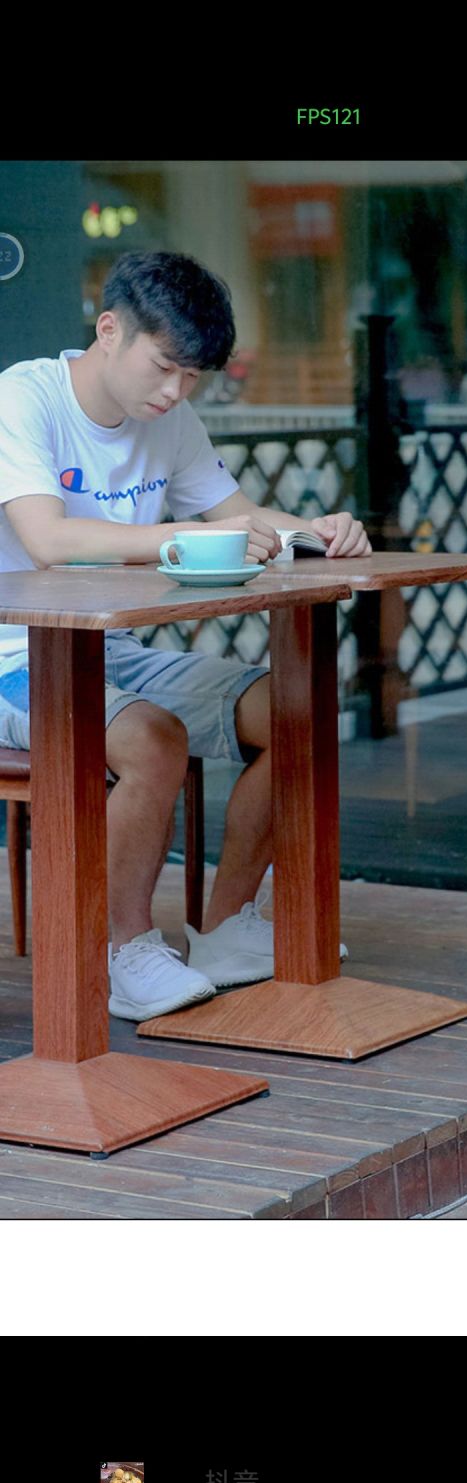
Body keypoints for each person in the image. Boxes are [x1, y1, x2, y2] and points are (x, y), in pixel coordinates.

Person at [0, 251, 371, 1020]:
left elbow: (240, 516)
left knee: (297, 709)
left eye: (192, 377)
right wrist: (188, 536)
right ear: (110, 330)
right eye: (165, 367)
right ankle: (122, 949)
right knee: (154, 740)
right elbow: (47, 539)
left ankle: (227, 928)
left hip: (111, 647)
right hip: (14, 653)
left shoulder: (169, 420)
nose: (174, 392)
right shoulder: (23, 398)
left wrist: (320, 531)